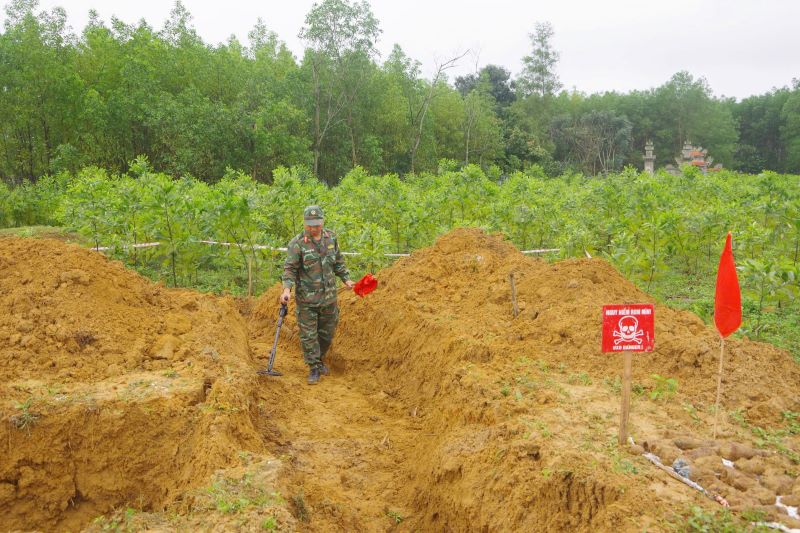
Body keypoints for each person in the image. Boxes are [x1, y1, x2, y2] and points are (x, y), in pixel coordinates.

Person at [281, 206, 354, 384]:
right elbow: (290, 269)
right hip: (307, 300)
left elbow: (338, 262)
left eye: (317, 224)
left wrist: (347, 280)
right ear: (305, 223)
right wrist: (286, 290)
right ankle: (313, 366)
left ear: (322, 222)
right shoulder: (297, 243)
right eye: (310, 225)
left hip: (329, 298)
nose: (314, 228)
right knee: (308, 335)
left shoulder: (331, 238)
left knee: (327, 333)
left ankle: (319, 358)